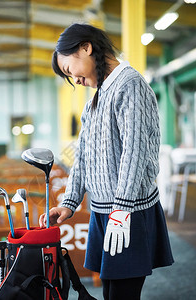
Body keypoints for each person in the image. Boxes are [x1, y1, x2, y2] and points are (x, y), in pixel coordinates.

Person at [39, 23, 174, 300]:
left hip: (127, 212)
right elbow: (84, 155)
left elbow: (134, 152)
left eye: (69, 70)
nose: (73, 80)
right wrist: (68, 202)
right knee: (111, 294)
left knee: (122, 295)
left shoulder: (130, 85)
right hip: (105, 213)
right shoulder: (95, 100)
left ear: (86, 48)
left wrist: (122, 209)